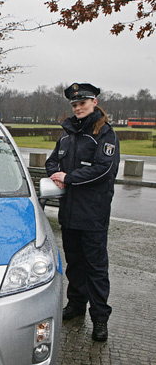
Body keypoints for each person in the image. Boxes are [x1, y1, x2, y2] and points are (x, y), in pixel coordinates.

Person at [46, 82, 120, 342]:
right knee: (74, 264)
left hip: (93, 214)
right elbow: (51, 161)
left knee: (96, 268)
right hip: (69, 214)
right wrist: (56, 174)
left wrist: (69, 177)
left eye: (83, 103)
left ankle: (100, 318)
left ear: (94, 103)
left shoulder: (105, 134)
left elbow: (103, 170)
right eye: (74, 104)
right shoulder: (66, 134)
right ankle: (76, 307)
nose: (78, 107)